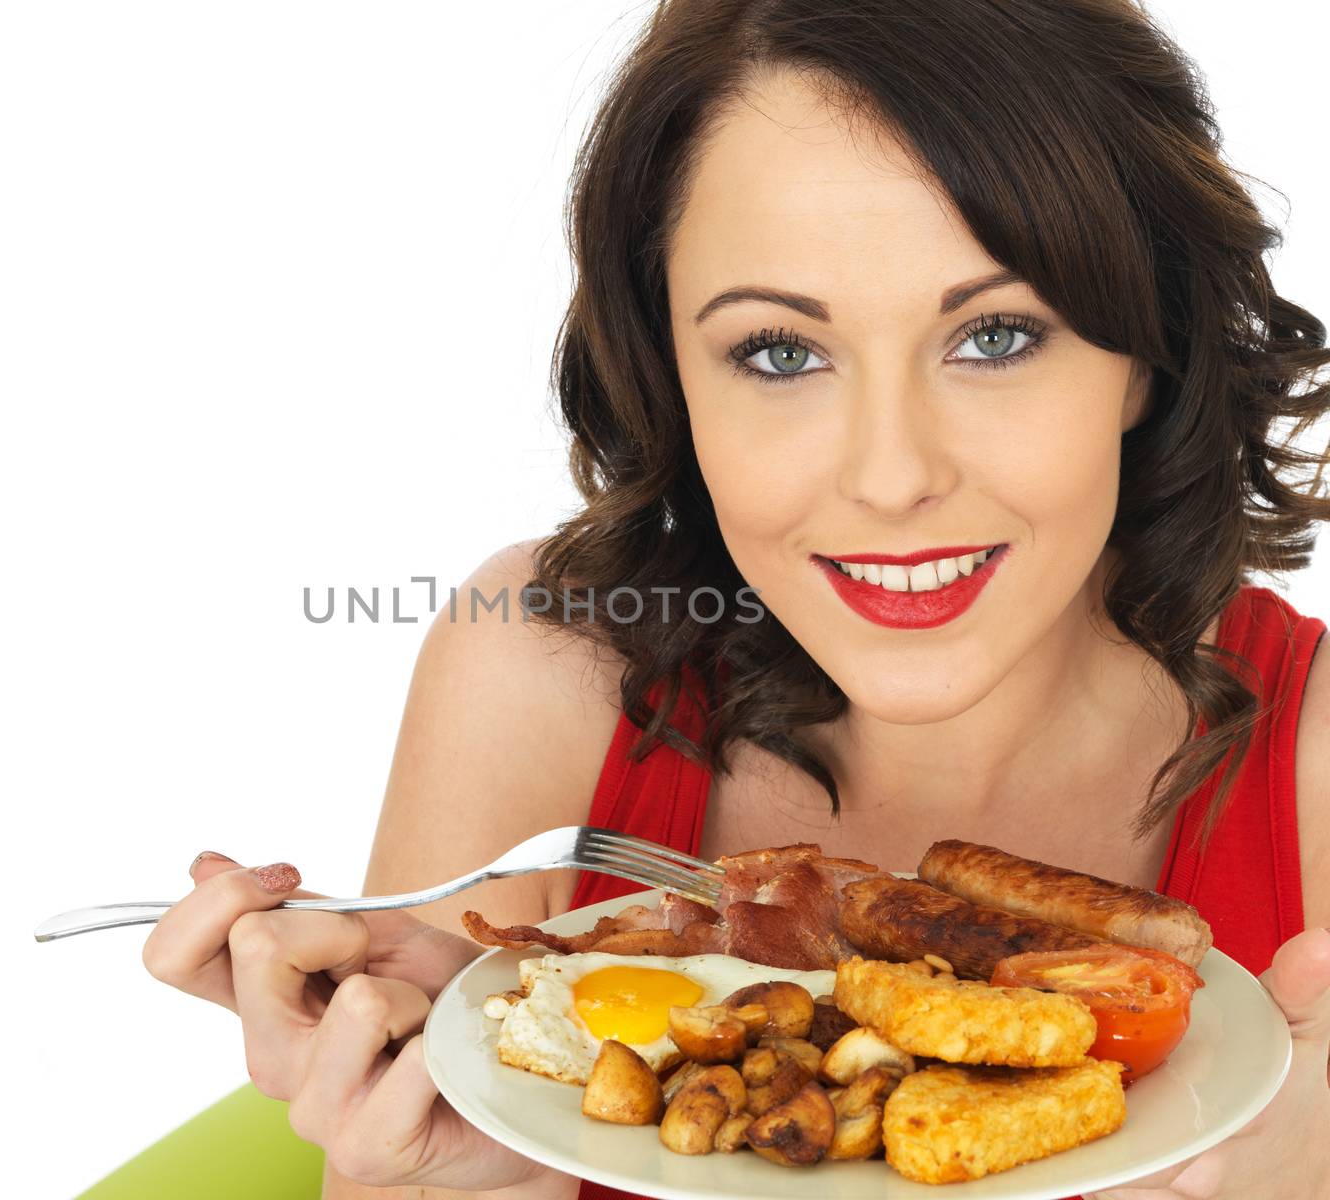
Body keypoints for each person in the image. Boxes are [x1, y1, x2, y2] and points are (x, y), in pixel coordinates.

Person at [141, 1, 1330, 1196]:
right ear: (670, 375)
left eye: (997, 336)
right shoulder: (538, 680)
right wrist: (432, 1186)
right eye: (778, 353)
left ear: (1149, 350)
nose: (891, 477)